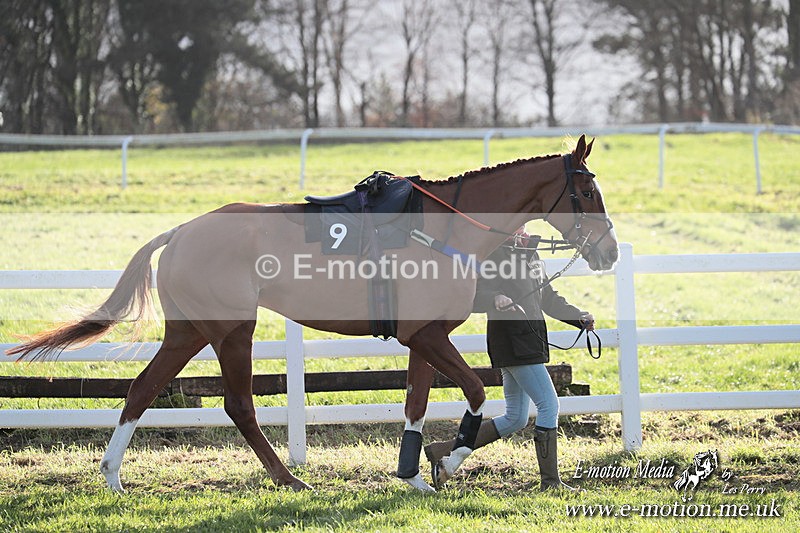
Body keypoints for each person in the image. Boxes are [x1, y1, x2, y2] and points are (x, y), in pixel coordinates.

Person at [424, 227, 594, 490]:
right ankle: (550, 482)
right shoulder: (492, 252)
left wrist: (577, 317)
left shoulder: (531, 252)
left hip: (529, 341)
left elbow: (548, 297)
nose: (520, 226)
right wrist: (494, 298)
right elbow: (472, 293)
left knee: (516, 418)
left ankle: (442, 450)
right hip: (512, 343)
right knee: (549, 405)